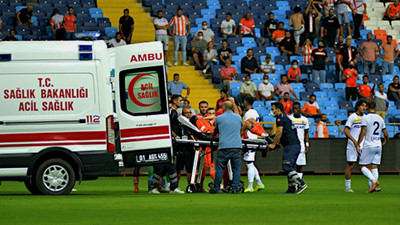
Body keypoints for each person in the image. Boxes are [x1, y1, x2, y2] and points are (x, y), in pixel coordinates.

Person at [268, 102, 308, 194]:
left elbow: (279, 131)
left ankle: (301, 184)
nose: (272, 111)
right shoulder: (285, 117)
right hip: (294, 145)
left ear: (278, 110)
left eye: (273, 109)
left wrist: (273, 144)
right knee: (290, 166)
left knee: (286, 166)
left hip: (291, 146)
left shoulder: (280, 118)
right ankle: (292, 188)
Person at [149, 95, 185, 194]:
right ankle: (171, 187)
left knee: (166, 165)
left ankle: (159, 187)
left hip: (168, 141)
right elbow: (168, 126)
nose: (181, 102)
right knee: (166, 164)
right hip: (167, 142)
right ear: (174, 101)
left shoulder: (173, 112)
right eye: (180, 100)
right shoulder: (171, 113)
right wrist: (175, 136)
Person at [357, 100, 389, 193]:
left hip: (369, 145)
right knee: (374, 166)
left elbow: (363, 132)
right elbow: (385, 133)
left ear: (367, 108)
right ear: (375, 108)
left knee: (362, 166)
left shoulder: (365, 118)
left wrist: (358, 143)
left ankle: (374, 182)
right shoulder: (380, 118)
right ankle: (373, 187)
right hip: (378, 145)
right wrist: (387, 140)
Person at [210, 101, 243, 194]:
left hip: (224, 146)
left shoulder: (219, 118)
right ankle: (235, 188)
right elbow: (240, 128)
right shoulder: (238, 117)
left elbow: (216, 131)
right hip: (236, 146)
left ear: (223, 108)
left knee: (220, 168)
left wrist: (213, 135)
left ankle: (216, 188)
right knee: (236, 169)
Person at [241, 96, 265, 192]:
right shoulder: (255, 112)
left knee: (249, 163)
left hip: (250, 139)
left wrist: (241, 135)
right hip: (254, 138)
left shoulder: (249, 113)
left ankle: (250, 186)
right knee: (250, 162)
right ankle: (259, 183)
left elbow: (247, 126)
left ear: (245, 102)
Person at [343, 99, 367, 192]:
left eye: (365, 106)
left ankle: (371, 185)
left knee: (367, 165)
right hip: (352, 145)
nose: (364, 108)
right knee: (351, 165)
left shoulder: (366, 117)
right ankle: (347, 186)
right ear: (358, 106)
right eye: (362, 105)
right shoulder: (352, 117)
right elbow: (346, 130)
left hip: (363, 144)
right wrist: (354, 141)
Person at [288, 102, 310, 179]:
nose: (295, 110)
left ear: (300, 109)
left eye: (297, 108)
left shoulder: (305, 119)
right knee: (291, 165)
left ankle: (299, 183)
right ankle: (293, 183)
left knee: (300, 166)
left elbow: (306, 133)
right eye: (294, 108)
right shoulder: (289, 119)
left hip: (301, 145)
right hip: (291, 145)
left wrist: (307, 144)